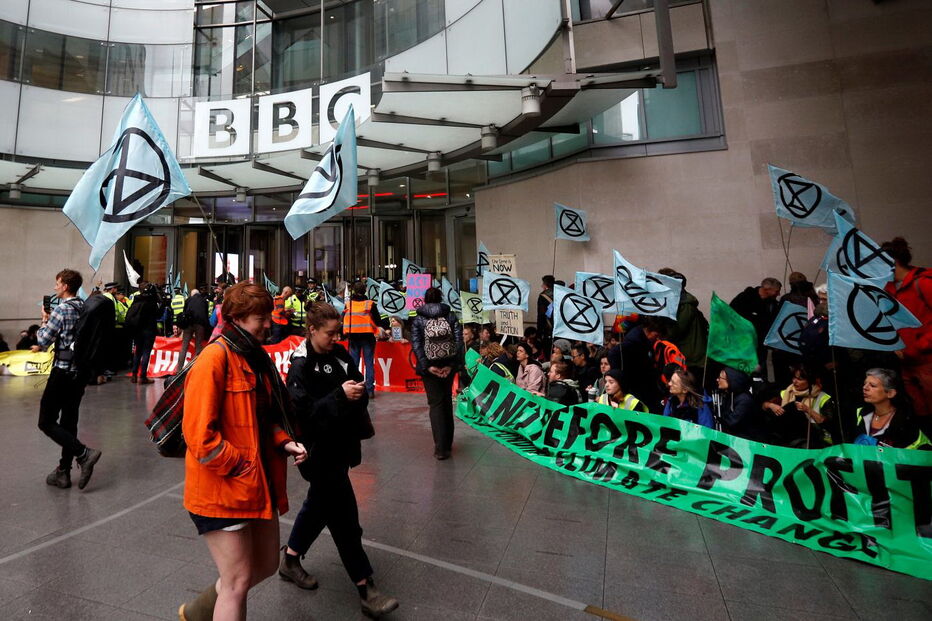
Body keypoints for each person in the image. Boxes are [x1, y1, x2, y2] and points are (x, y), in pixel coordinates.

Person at [178, 281, 307, 621]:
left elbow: (261, 418)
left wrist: (283, 440)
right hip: (224, 489)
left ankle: (198, 611)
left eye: (269, 316)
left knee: (262, 566)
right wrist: (242, 465)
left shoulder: (254, 357)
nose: (269, 324)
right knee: (237, 581)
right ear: (235, 318)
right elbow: (199, 437)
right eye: (260, 318)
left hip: (255, 485)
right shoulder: (214, 358)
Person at [279, 302, 399, 618]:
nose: (336, 338)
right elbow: (302, 416)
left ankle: (290, 560)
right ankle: (366, 587)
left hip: (340, 449)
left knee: (318, 507)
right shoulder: (300, 366)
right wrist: (339, 397)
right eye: (330, 333)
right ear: (312, 330)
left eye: (338, 332)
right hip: (316, 455)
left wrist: (355, 394)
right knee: (345, 520)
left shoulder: (341, 356)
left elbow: (358, 383)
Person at [32, 269, 102, 491]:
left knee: (46, 421)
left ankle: (83, 454)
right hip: (79, 373)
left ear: (64, 286)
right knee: (69, 422)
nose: (55, 287)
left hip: (62, 372)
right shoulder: (83, 306)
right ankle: (63, 471)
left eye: (57, 283)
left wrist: (44, 319)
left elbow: (43, 339)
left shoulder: (61, 310)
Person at [881, 237, 931, 429]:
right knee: (920, 412)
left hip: (925, 359)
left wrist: (918, 347)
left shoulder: (924, 284)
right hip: (906, 361)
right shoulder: (890, 290)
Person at [411, 287, 463, 460]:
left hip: (430, 368)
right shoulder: (450, 316)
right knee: (446, 401)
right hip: (448, 365)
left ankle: (440, 448)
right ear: (441, 299)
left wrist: (427, 366)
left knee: (436, 404)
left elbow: (417, 345)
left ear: (425, 300)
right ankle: (448, 443)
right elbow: (458, 341)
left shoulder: (418, 319)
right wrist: (451, 365)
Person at [847, 368, 930, 450]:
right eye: (865, 384)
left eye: (872, 386)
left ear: (890, 393)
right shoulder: (860, 412)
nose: (865, 388)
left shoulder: (905, 421)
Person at [761, 366, 837, 448]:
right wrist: (771, 405)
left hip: (814, 438)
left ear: (810, 381)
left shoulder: (823, 398)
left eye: (800, 379)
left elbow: (827, 424)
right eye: (794, 378)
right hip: (789, 436)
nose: (794, 381)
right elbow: (764, 406)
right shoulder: (787, 392)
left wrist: (807, 409)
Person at [658, 269, 708, 380]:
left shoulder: (685, 305)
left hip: (692, 360)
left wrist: (660, 326)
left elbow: (676, 331)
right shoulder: (678, 303)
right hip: (686, 357)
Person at [730, 277, 782, 379]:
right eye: (777, 291)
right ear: (767, 289)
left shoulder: (772, 304)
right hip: (743, 346)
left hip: (761, 347)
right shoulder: (744, 298)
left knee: (758, 375)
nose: (778, 294)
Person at [343, 281, 383, 399]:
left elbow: (343, 318)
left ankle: (355, 388)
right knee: (369, 363)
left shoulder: (348, 304)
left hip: (353, 338)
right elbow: (378, 320)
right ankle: (370, 390)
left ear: (354, 291)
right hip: (368, 338)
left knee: (354, 364)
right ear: (365, 290)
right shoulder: (370, 304)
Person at [714, 367, 761, 441]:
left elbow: (731, 422)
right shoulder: (730, 394)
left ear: (731, 380)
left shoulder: (745, 400)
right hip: (734, 439)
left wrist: (716, 419)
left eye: (720, 378)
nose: (717, 380)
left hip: (746, 442)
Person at [172, 287, 211, 375]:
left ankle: (179, 370)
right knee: (198, 347)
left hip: (188, 324)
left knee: (184, 346)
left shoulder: (188, 300)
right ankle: (194, 369)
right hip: (200, 324)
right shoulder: (204, 301)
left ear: (192, 294)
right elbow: (205, 314)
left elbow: (184, 313)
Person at [128, 284, 161, 384]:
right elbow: (158, 314)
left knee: (138, 352)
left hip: (138, 330)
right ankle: (142, 377)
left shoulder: (137, 299)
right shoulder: (151, 302)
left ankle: (134, 375)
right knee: (146, 353)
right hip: (149, 330)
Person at [537, 275, 555, 352]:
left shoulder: (543, 296)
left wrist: (539, 332)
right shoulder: (560, 293)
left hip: (547, 329)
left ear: (545, 284)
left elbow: (541, 315)